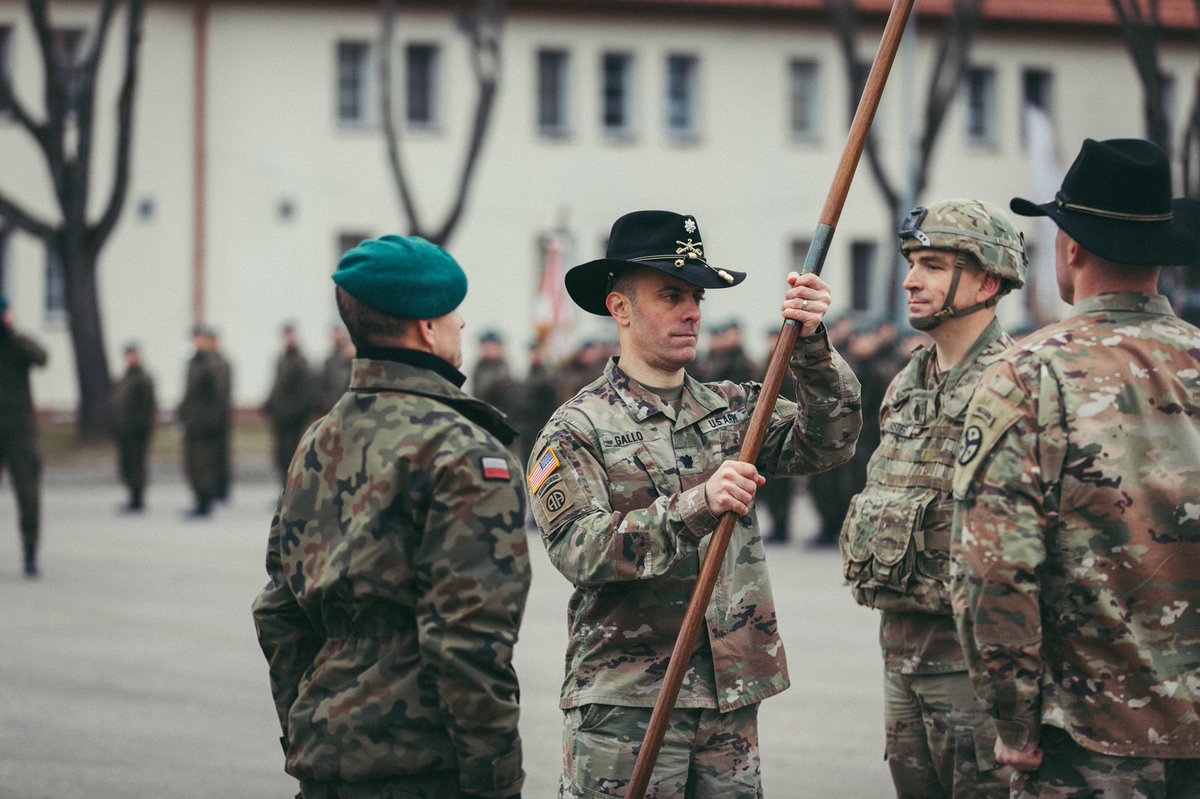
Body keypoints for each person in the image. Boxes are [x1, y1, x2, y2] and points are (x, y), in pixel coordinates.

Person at [526, 210, 862, 797]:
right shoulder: (577, 428)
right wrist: (696, 505)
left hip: (728, 697)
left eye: (696, 297)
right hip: (628, 703)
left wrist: (811, 345)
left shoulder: (735, 409)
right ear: (620, 308)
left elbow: (829, 439)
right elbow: (580, 549)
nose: (692, 312)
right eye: (671, 296)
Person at [952, 138, 1200, 796]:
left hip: (1089, 743)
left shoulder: (1029, 374)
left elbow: (995, 569)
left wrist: (1013, 722)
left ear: (1070, 248)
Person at [251, 235, 531, 799]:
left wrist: (310, 732)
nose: (462, 323)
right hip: (422, 768)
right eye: (453, 312)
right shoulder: (465, 452)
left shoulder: (319, 439)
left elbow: (279, 612)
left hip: (324, 760)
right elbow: (469, 641)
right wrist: (494, 783)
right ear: (427, 329)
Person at [838, 199, 1028, 797]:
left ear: (988, 282)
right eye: (912, 263)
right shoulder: (908, 381)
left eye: (934, 265)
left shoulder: (1016, 384)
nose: (911, 280)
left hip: (974, 672)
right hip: (901, 656)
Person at [0, 296, 48, 578]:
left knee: (28, 495)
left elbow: (42, 358)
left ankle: (30, 552)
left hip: (20, 433)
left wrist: (12, 334)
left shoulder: (18, 345)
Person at [178, 325, 228, 517]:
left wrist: (212, 422)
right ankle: (198, 499)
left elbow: (219, 397)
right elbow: (189, 394)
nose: (198, 343)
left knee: (204, 463)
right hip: (193, 423)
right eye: (195, 339)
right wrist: (182, 414)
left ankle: (205, 501)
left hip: (206, 425)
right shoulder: (193, 364)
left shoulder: (212, 365)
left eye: (201, 339)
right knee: (192, 462)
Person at [262, 322, 312, 486]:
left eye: (291, 335)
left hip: (294, 419)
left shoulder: (301, 361)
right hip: (281, 417)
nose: (288, 339)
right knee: (281, 455)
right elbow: (277, 385)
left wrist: (300, 412)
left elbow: (305, 391)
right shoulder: (281, 359)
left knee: (293, 455)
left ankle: (293, 488)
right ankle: (284, 487)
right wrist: (269, 404)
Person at [111, 342, 157, 513]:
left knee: (137, 465)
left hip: (137, 431)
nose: (131, 358)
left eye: (134, 355)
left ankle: (138, 499)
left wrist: (143, 428)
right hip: (124, 431)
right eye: (129, 355)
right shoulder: (124, 378)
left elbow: (148, 407)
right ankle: (131, 496)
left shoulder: (143, 379)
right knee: (127, 465)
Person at [314, 324, 354, 415]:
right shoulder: (330, 361)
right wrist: (327, 403)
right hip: (333, 406)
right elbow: (324, 384)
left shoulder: (351, 359)